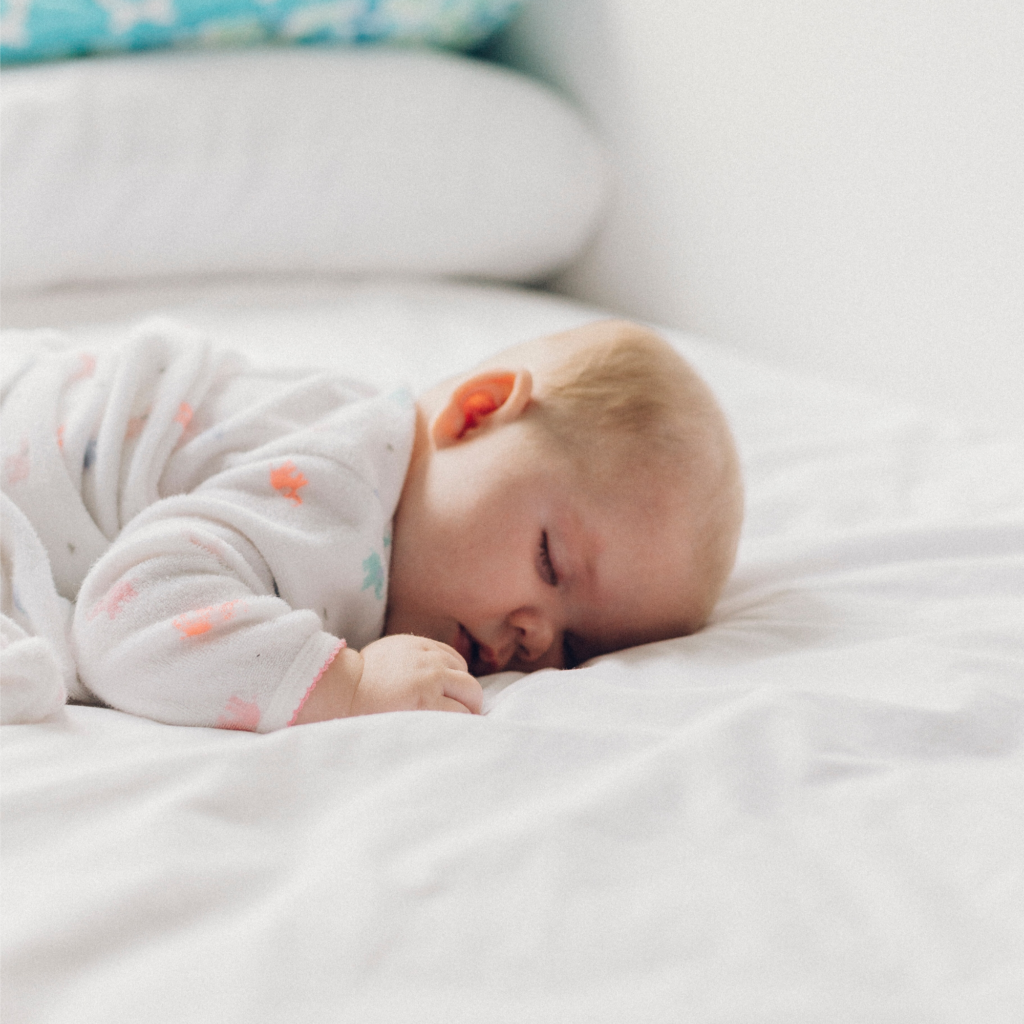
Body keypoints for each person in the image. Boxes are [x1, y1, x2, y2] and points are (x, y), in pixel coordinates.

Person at [0, 318, 743, 730]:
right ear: (477, 413)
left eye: (576, 645)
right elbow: (126, 623)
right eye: (551, 562)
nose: (536, 636)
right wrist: (344, 685)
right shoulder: (339, 496)